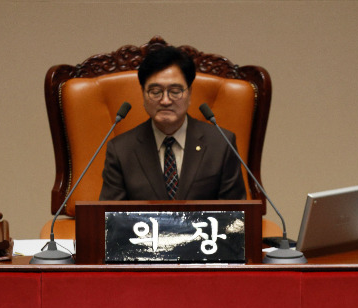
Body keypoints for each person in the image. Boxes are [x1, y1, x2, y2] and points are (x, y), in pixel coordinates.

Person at [99, 45, 247, 201]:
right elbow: (110, 218)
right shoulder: (121, 150)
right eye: (155, 92)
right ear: (143, 95)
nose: (165, 100)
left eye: (175, 91)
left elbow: (235, 216)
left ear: (189, 94)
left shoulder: (222, 144)